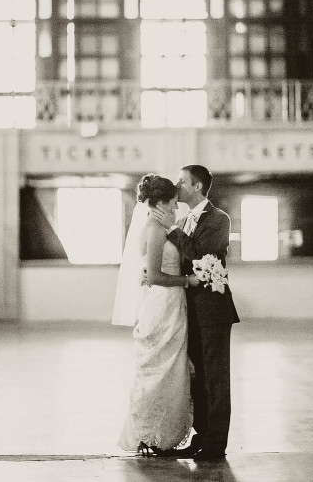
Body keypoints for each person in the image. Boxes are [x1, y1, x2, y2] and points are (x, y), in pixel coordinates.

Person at [151, 164, 240, 461]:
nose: (177, 186)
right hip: (189, 309)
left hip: (213, 311)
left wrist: (173, 230)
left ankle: (217, 444)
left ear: (198, 186)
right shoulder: (186, 218)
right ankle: (201, 437)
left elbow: (201, 252)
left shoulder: (218, 219)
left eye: (182, 181)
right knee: (197, 378)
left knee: (216, 378)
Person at [113, 173, 200, 455]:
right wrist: (188, 282)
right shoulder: (154, 229)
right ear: (160, 203)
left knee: (170, 368)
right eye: (173, 203)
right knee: (159, 368)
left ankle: (159, 434)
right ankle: (148, 433)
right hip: (163, 302)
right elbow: (154, 276)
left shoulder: (161, 226)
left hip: (171, 302)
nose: (176, 208)